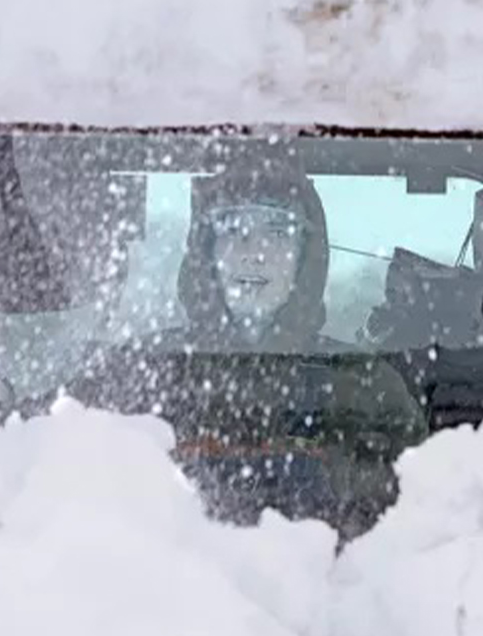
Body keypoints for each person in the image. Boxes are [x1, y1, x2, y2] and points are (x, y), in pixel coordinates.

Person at [66, 150, 427, 538]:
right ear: (206, 248)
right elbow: (66, 498)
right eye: (232, 227)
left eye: (277, 232)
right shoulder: (138, 374)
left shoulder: (366, 385)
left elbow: (413, 530)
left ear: (306, 255)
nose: (253, 252)